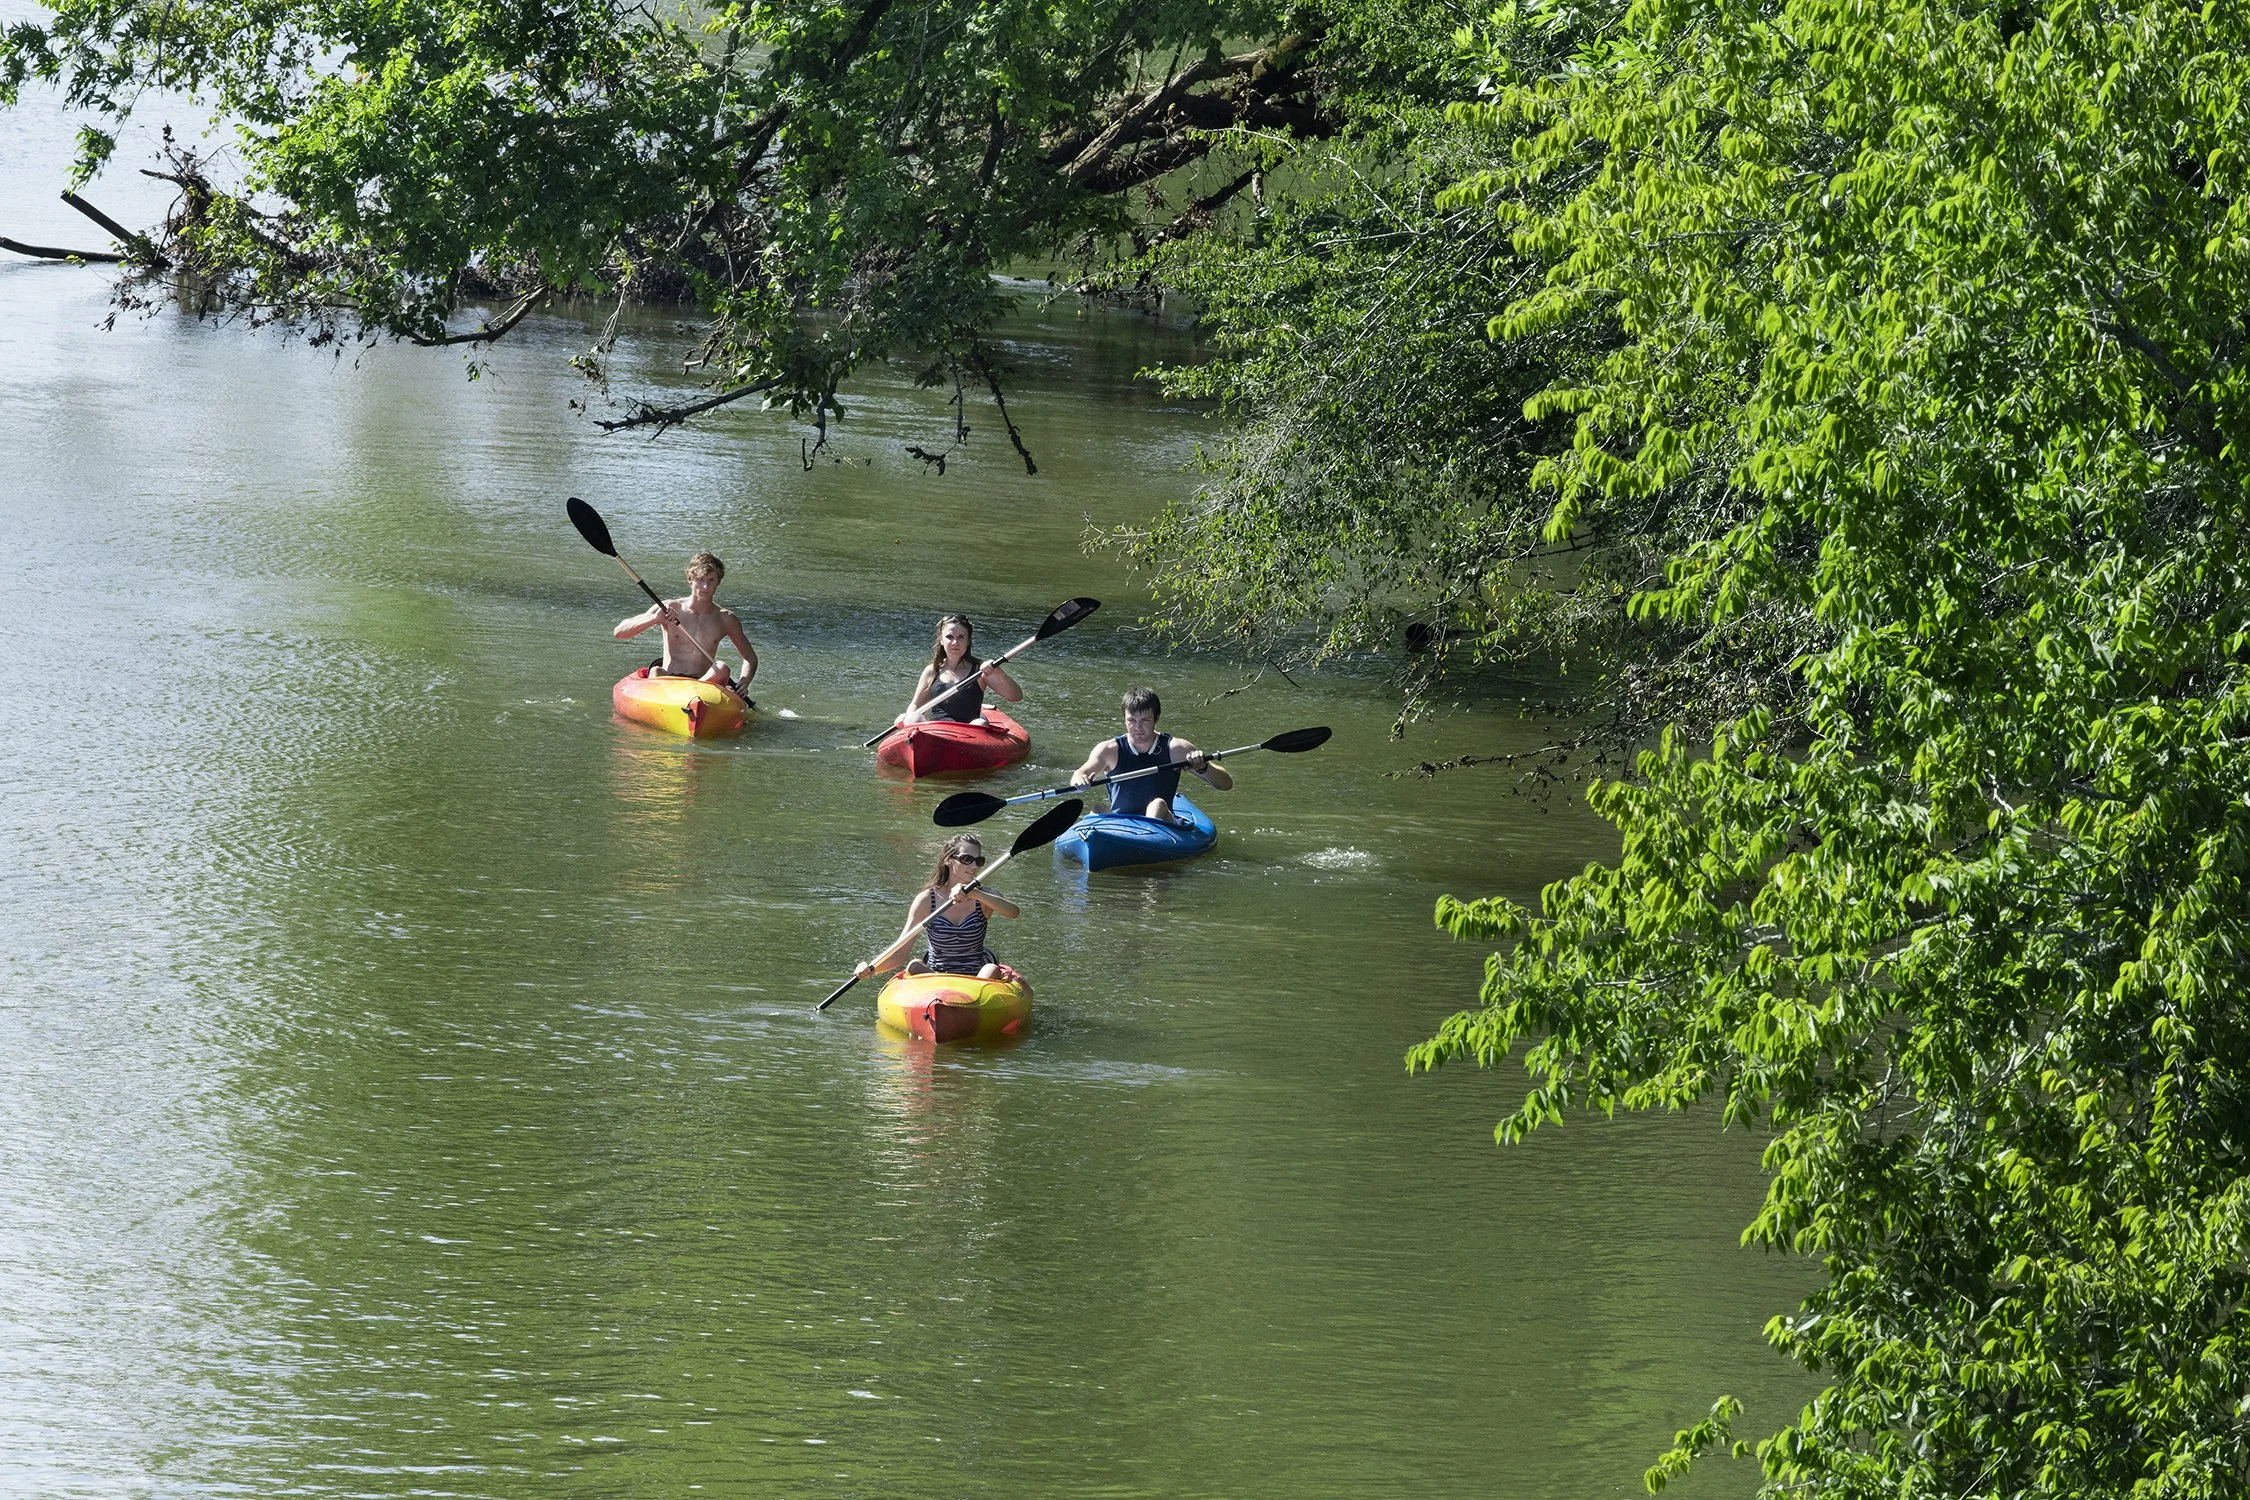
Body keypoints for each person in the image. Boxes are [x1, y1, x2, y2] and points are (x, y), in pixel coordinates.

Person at [853, 833, 1021, 983]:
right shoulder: (927, 899)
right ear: (948, 860)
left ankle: (973, 1003)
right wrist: (871, 969)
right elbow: (900, 952)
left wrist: (975, 894)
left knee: (991, 969)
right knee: (914, 966)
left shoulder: (984, 897)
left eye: (979, 861)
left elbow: (1014, 912)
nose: (974, 867)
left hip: (977, 975)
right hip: (936, 973)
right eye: (967, 859)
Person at [611, 552, 758, 703]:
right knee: (656, 671)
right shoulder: (669, 607)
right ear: (690, 579)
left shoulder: (726, 619)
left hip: (703, 684)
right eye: (700, 580)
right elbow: (619, 632)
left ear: (718, 582)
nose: (705, 587)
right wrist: (653, 619)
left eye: (711, 580)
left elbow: (750, 658)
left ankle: (696, 703)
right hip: (669, 680)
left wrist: (744, 682)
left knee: (722, 668)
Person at [1070, 686, 1232, 822]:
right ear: (1124, 719)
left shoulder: (1176, 748)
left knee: (1157, 805)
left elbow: (1225, 785)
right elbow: (1080, 773)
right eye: (1131, 721)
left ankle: (1148, 837)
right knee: (1099, 808)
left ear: (1156, 718)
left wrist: (1204, 766)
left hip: (1163, 823)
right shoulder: (1109, 749)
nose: (1137, 728)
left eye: (1145, 720)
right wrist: (1080, 780)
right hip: (1121, 825)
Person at [894, 614, 1022, 728]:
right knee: (914, 717)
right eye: (949, 637)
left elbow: (1016, 696)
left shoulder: (980, 670)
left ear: (968, 641)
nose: (955, 642)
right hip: (935, 731)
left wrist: (997, 671)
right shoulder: (931, 671)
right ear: (941, 640)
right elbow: (915, 705)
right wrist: (907, 716)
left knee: (980, 723)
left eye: (961, 637)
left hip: (968, 732)